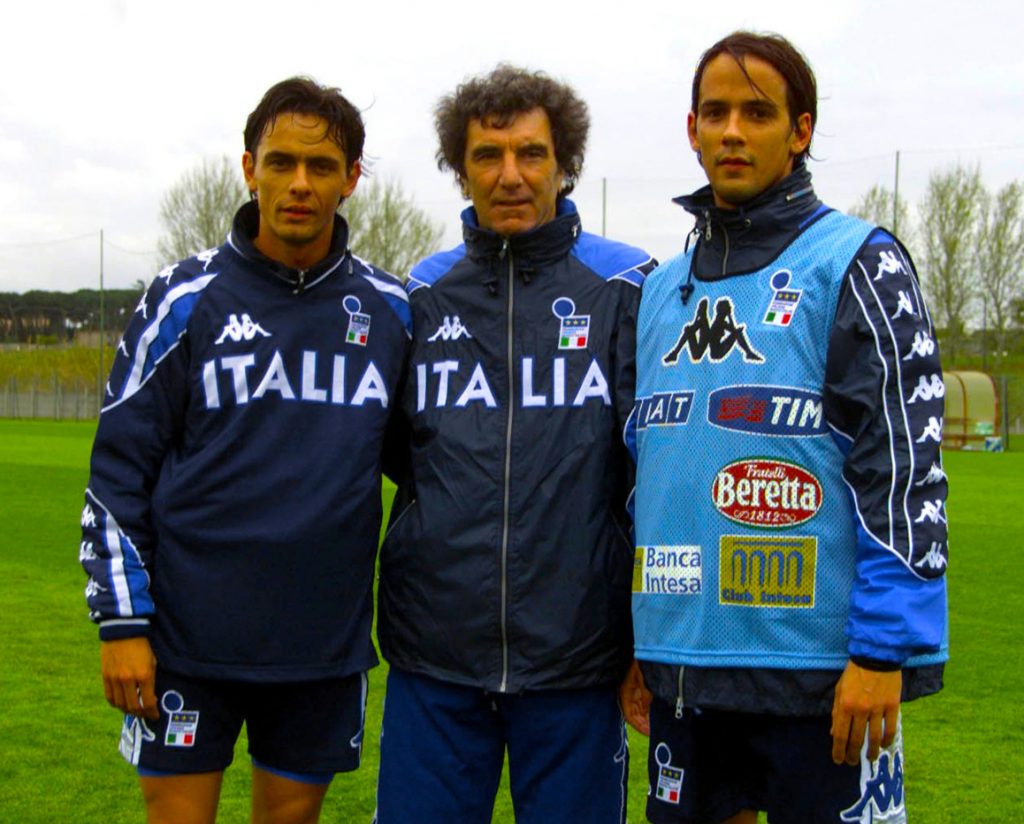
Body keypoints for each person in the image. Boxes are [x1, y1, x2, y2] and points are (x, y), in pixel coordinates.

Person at [620, 32, 948, 824]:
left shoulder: (856, 260)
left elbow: (903, 464)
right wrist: (641, 645)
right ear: (691, 128)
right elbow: (644, 478)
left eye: (758, 112)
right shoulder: (662, 290)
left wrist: (881, 651)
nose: (733, 130)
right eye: (716, 112)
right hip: (685, 671)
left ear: (800, 130)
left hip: (823, 675)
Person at [79, 76, 411, 824]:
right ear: (248, 167)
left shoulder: (392, 313)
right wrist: (123, 625)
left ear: (352, 179)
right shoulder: (181, 298)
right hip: (183, 642)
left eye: (322, 167)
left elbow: (426, 465)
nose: (299, 184)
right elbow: (116, 474)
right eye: (281, 162)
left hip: (322, 647)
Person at [374, 64, 656, 824]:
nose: (510, 175)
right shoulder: (419, 296)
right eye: (486, 157)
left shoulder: (629, 287)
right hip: (435, 657)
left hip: (577, 657)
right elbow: (400, 455)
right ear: (459, 171)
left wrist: (648, 632)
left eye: (531, 154)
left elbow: (656, 472)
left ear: (565, 164)